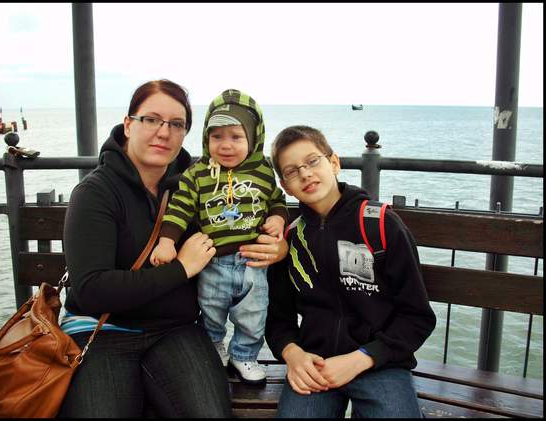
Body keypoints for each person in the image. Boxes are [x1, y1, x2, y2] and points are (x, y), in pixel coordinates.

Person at [58, 80, 288, 418]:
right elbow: (92, 291)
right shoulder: (96, 192)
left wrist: (278, 249)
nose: (163, 132)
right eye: (151, 119)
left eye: (176, 124)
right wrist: (180, 269)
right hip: (103, 329)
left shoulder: (198, 180)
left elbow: (254, 218)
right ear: (128, 124)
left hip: (175, 329)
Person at [265, 125, 436, 418]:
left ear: (334, 163)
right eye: (292, 171)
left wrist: (362, 358)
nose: (305, 174)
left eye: (312, 161)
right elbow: (279, 321)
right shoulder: (291, 239)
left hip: (379, 363)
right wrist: (292, 354)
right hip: (315, 363)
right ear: (285, 186)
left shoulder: (381, 225)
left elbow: (417, 317)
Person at [150, 89, 289, 384]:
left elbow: (277, 200)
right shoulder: (197, 174)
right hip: (213, 261)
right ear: (206, 138)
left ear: (253, 138)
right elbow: (179, 208)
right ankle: (214, 347)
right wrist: (166, 241)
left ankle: (244, 355)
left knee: (253, 314)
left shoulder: (263, 171)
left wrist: (277, 218)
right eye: (217, 137)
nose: (226, 145)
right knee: (211, 310)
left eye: (236, 137)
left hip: (253, 262)